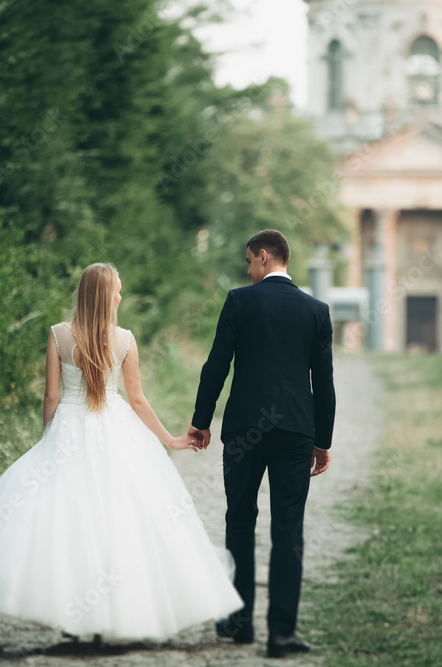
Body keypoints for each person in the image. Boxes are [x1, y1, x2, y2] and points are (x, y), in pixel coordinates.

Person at [0, 262, 244, 643]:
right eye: (117, 290)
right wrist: (170, 440)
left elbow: (51, 395)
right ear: (104, 295)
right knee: (119, 519)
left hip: (69, 426)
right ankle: (110, 615)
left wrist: (48, 438)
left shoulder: (58, 335)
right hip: (115, 428)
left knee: (66, 523)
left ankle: (74, 618)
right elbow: (137, 399)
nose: (121, 295)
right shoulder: (125, 341)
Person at [189, 229, 336, 658]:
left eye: (250, 261)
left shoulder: (240, 301)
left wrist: (201, 421)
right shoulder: (317, 310)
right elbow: (322, 383)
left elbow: (216, 364)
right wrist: (322, 441)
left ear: (266, 257)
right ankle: (281, 634)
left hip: (243, 431)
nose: (248, 269)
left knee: (239, 520)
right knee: (288, 529)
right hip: (295, 432)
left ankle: (239, 624)